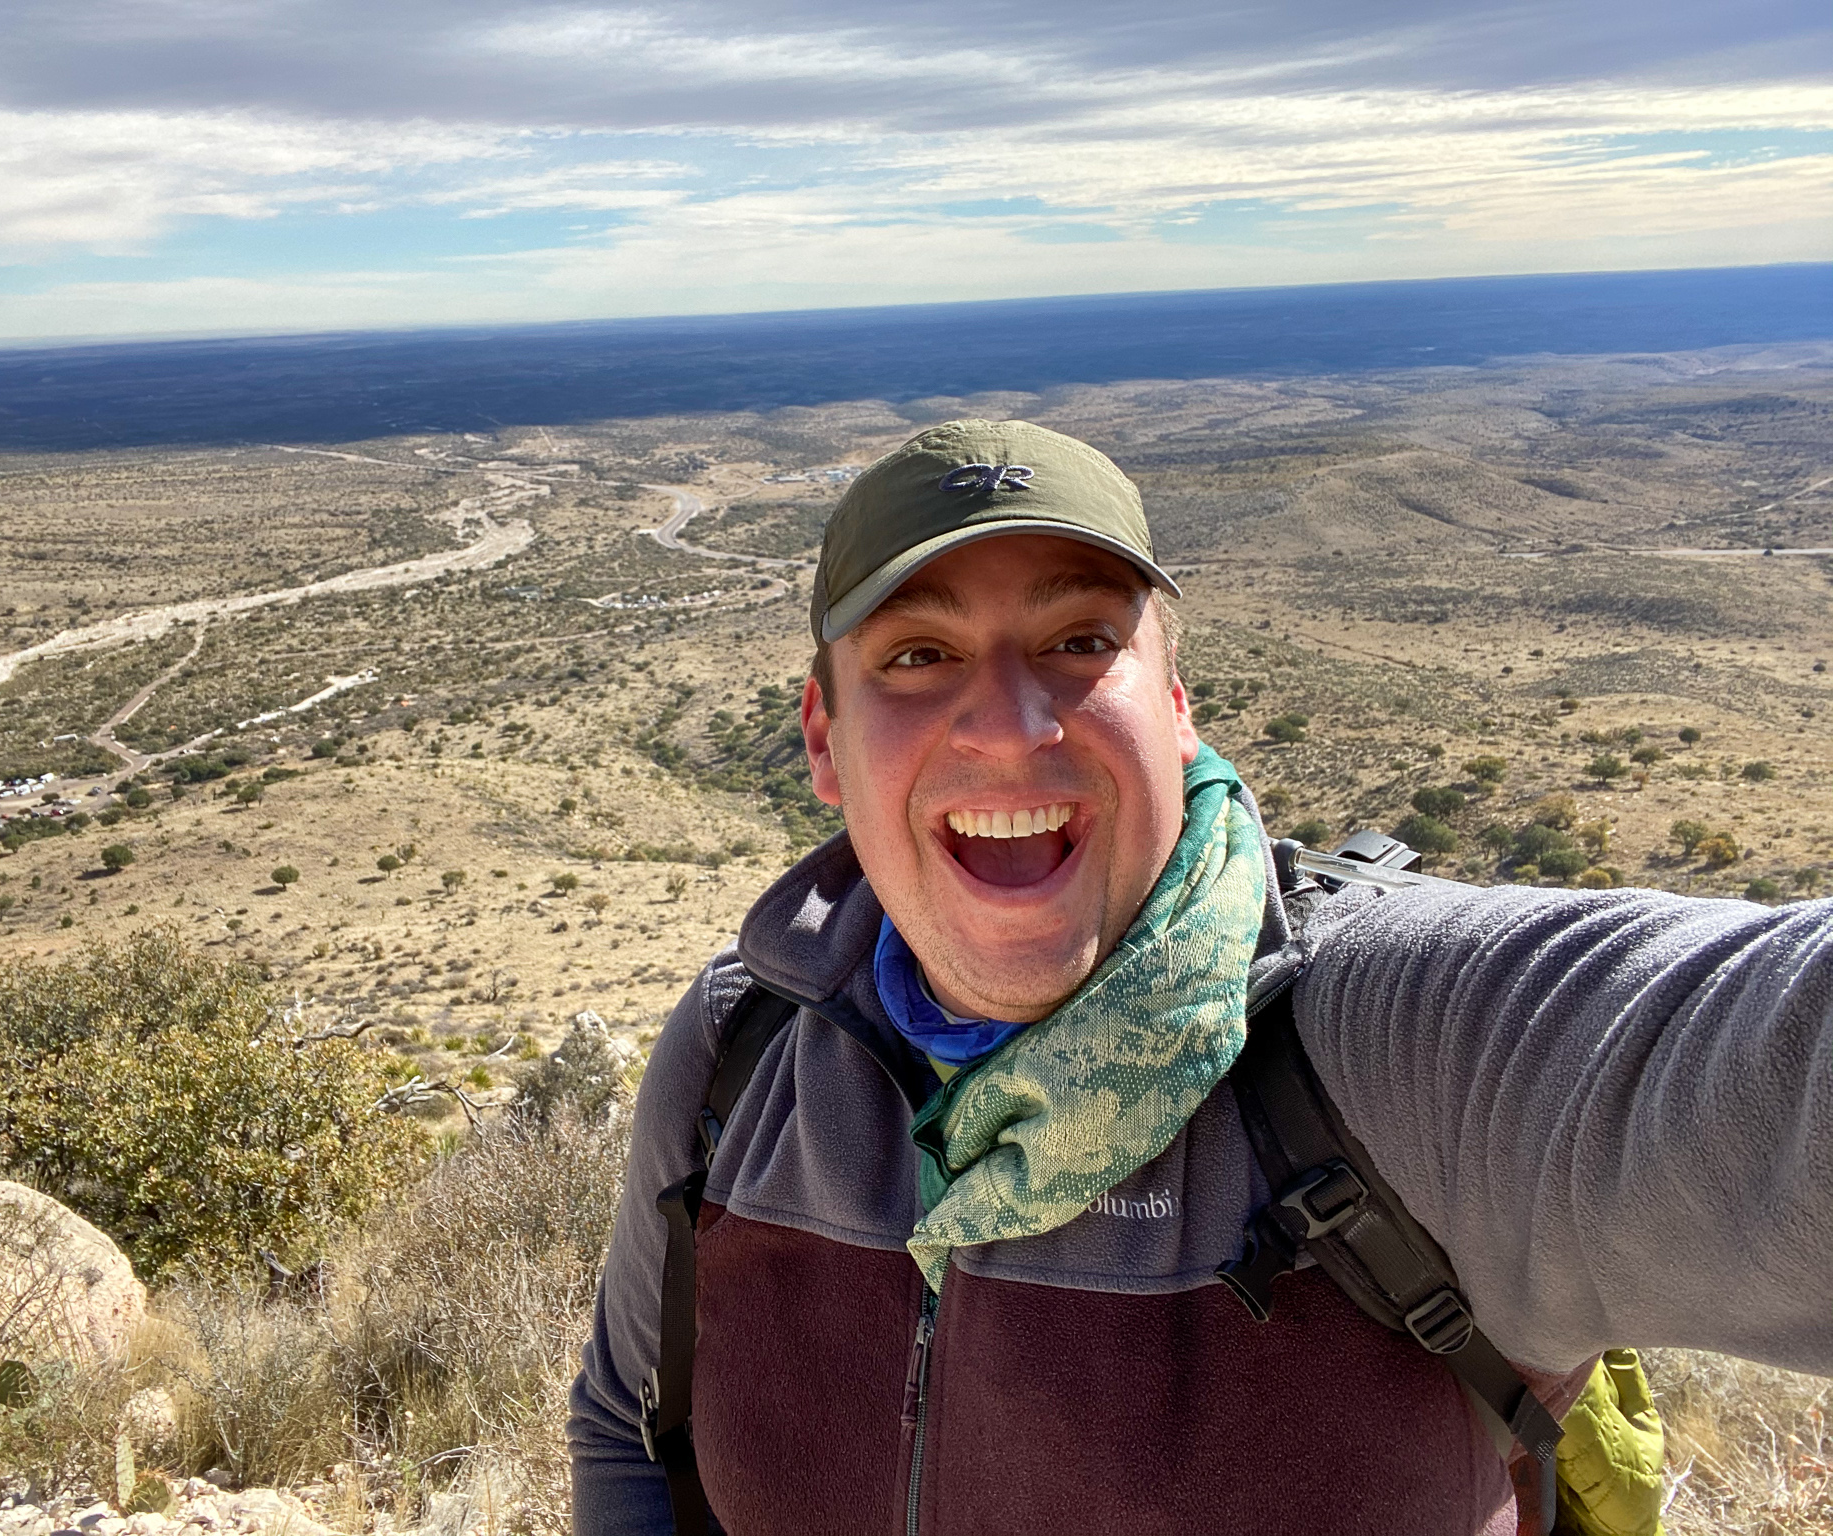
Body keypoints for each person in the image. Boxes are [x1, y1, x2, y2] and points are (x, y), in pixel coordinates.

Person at [567, 419, 1833, 1535]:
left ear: (1175, 708)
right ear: (823, 741)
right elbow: (628, 1429)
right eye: (915, 657)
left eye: (1076, 641)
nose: (1009, 726)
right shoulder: (741, 1059)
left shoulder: (1398, 1057)